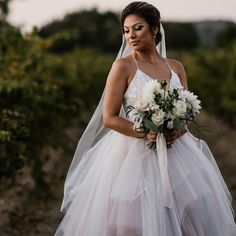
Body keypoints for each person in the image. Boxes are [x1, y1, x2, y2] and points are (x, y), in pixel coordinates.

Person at [55, 2, 236, 235]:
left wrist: (176, 129)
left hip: (178, 151)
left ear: (155, 29)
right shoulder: (123, 67)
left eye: (138, 28)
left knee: (188, 215)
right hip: (133, 155)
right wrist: (146, 132)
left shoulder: (176, 67)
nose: (131, 35)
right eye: (126, 30)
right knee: (135, 221)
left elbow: (187, 112)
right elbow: (109, 118)